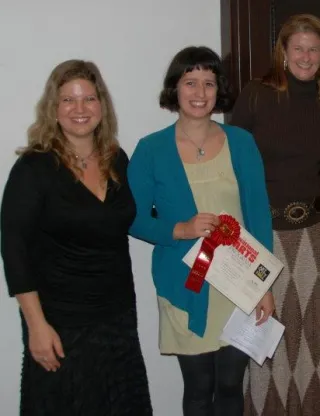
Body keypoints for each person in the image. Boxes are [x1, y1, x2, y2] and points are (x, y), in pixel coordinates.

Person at [127, 46, 274, 416]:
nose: (200, 92)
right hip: (183, 286)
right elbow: (132, 216)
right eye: (190, 82)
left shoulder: (241, 142)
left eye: (209, 83)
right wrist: (180, 228)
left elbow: (258, 216)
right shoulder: (150, 149)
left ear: (218, 89)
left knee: (229, 386)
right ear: (175, 89)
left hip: (238, 283)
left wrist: (263, 286)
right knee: (198, 387)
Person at [1, 60, 152, 415]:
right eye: (68, 100)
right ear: (53, 108)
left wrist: (187, 227)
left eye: (88, 98)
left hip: (117, 317)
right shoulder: (34, 168)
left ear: (102, 105)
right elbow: (14, 250)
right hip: (59, 322)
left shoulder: (118, 159)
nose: (80, 109)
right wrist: (36, 326)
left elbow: (136, 219)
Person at [231, 13, 320, 416]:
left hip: (315, 232)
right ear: (282, 52)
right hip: (264, 232)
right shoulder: (255, 94)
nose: (305, 56)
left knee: (314, 330)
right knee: (267, 329)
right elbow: (233, 161)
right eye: (297, 47)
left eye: (313, 49)